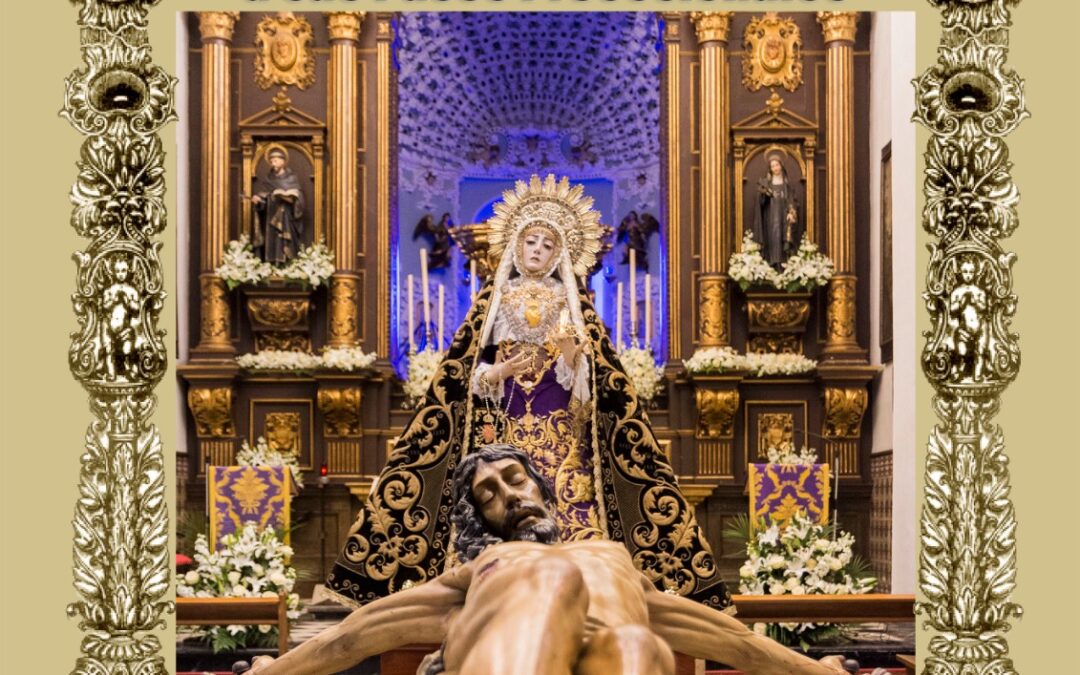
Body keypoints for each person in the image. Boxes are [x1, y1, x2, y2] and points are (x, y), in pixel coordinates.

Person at [327, 175, 728, 610]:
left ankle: (583, 596)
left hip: (562, 434)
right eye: (531, 242)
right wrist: (500, 370)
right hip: (507, 430)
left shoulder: (573, 304)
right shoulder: (495, 301)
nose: (537, 250)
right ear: (516, 247)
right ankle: (499, 593)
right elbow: (467, 374)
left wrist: (572, 359)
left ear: (560, 254)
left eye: (547, 245)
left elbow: (593, 393)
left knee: (568, 502)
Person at [245, 445, 849, 675]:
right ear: (479, 520)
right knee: (545, 571)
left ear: (541, 486)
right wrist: (270, 673)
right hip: (512, 655)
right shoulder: (483, 568)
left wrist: (817, 672)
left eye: (514, 479)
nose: (508, 495)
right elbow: (357, 634)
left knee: (636, 645)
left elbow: (731, 640)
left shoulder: (611, 556)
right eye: (488, 495)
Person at [251, 144, 305, 264]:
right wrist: (259, 200)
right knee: (272, 240)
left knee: (285, 241)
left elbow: (299, 198)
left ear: (283, 161)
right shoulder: (268, 179)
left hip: (286, 216)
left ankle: (287, 263)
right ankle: (271, 263)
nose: (273, 164)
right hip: (271, 215)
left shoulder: (291, 178)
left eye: (275, 161)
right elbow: (264, 195)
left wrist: (290, 198)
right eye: (271, 161)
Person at [752, 154, 801, 267]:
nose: (775, 168)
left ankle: (784, 264)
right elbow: (761, 203)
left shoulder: (786, 184)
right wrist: (764, 194)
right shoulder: (766, 183)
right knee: (773, 238)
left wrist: (791, 212)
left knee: (783, 239)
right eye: (773, 166)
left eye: (777, 165)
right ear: (770, 169)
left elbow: (792, 200)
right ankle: (772, 262)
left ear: (781, 165)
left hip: (783, 217)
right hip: (770, 217)